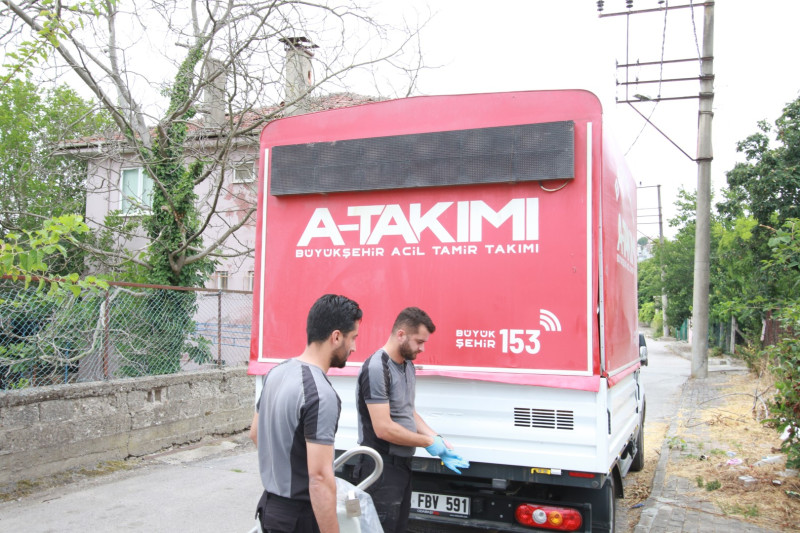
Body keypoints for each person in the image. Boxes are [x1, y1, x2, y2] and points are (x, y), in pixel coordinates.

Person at [250, 294, 362, 533]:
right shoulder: (320, 394)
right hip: (299, 517)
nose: (354, 347)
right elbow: (319, 477)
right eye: (353, 338)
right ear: (336, 337)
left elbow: (255, 433)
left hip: (270, 509)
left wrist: (283, 472)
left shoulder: (276, 373)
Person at [355, 307, 469, 533]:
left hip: (402, 467)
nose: (422, 348)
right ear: (401, 334)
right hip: (380, 467)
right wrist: (428, 443)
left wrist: (437, 438)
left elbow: (408, 412)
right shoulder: (377, 367)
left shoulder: (408, 365)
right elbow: (383, 429)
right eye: (419, 341)